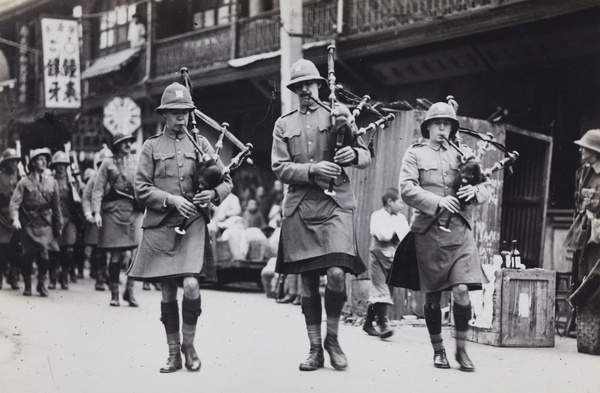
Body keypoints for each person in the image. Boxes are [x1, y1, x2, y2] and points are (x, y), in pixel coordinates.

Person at [271, 58, 371, 371]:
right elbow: (279, 167)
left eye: (308, 85)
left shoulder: (338, 114)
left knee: (338, 273)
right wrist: (312, 169)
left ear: (319, 85)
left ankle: (333, 338)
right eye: (298, 86)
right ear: (293, 90)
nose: (304, 90)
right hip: (301, 206)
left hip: (336, 204)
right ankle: (315, 348)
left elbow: (366, 155)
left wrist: (352, 153)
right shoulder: (283, 124)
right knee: (309, 282)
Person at [127, 82, 232, 373]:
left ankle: (189, 344)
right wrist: (170, 199)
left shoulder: (201, 144)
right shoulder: (151, 146)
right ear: (164, 115)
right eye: (174, 113)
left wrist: (212, 195)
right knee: (167, 293)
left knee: (191, 284)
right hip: (161, 224)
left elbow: (226, 181)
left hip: (194, 223)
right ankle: (174, 353)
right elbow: (141, 188)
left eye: (185, 112)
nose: (181, 118)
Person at [399, 101, 491, 372]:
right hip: (429, 231)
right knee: (433, 297)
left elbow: (484, 186)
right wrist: (437, 201)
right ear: (427, 127)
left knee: (462, 290)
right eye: (438, 123)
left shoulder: (463, 153)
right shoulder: (415, 154)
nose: (443, 128)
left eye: (448, 124)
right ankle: (438, 349)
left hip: (460, 232)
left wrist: (474, 193)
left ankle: (461, 350)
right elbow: (406, 188)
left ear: (453, 128)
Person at [92, 131, 143, 307]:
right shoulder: (108, 163)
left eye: (130, 141)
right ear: (116, 145)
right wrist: (96, 212)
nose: (128, 144)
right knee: (115, 255)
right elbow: (98, 189)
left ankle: (129, 290)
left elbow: (147, 182)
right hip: (113, 211)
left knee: (135, 254)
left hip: (134, 211)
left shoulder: (138, 160)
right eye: (124, 142)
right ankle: (114, 294)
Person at [9, 147, 63, 297]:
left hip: (45, 223)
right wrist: (15, 218)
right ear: (33, 163)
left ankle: (41, 284)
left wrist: (59, 224)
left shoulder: (52, 182)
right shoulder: (24, 182)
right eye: (40, 159)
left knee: (45, 255)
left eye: (45, 158)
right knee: (28, 256)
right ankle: (27, 285)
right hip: (29, 223)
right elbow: (15, 203)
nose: (44, 161)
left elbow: (56, 206)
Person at [362, 187, 409, 339]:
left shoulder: (401, 218)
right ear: (390, 202)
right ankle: (383, 326)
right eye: (399, 202)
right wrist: (394, 233)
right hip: (378, 258)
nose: (402, 206)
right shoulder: (377, 216)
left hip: (394, 259)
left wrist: (394, 234)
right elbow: (383, 235)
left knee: (386, 292)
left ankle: (368, 324)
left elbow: (405, 236)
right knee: (381, 291)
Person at [565, 130, 600, 315]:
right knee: (583, 276)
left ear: (595, 151)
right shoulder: (584, 173)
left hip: (598, 233)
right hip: (586, 233)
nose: (581, 150)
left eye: (585, 147)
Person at [49, 150, 83, 290]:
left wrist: (77, 185)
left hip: (69, 219)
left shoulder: (72, 181)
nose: (61, 167)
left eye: (64, 164)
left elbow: (79, 199)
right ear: (54, 166)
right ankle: (52, 278)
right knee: (53, 251)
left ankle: (65, 277)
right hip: (53, 220)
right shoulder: (50, 180)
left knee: (68, 250)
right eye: (58, 164)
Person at [82, 145, 112, 291]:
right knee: (99, 250)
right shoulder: (94, 179)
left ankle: (109, 275)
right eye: (101, 163)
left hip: (113, 217)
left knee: (114, 250)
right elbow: (86, 197)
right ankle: (100, 277)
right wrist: (88, 213)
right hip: (98, 216)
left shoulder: (116, 178)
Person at [0, 148, 23, 290]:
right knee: (2, 249)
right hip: (1, 218)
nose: (13, 163)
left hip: (17, 218)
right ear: (5, 163)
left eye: (15, 161)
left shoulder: (20, 177)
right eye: (10, 161)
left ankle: (13, 277)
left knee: (18, 249)